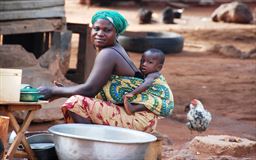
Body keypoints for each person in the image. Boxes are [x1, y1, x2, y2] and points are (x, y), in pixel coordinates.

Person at [38, 10, 174, 133]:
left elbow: (90, 89)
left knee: (75, 103)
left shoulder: (108, 53)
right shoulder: (114, 50)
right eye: (96, 29)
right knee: (78, 100)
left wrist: (53, 91)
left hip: (139, 119)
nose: (100, 34)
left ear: (116, 34)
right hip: (142, 117)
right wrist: (64, 91)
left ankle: (91, 147)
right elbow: (94, 88)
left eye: (107, 30)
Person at [123, 48, 174, 116]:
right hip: (158, 99)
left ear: (158, 68)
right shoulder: (146, 73)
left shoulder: (153, 75)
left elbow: (146, 84)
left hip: (165, 104)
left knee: (149, 101)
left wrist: (132, 93)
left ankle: (133, 108)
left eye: (150, 62)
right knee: (146, 98)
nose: (144, 64)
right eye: (142, 61)